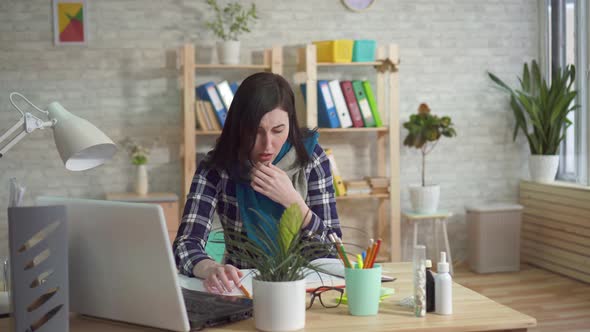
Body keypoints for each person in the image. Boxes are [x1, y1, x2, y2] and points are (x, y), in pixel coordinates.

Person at [173, 72, 342, 294]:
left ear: (290, 123)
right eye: (256, 131)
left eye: (278, 130)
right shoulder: (216, 166)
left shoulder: (312, 158)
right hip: (243, 289)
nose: (268, 145)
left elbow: (335, 249)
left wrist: (294, 202)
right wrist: (210, 267)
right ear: (239, 126)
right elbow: (185, 244)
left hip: (307, 291)